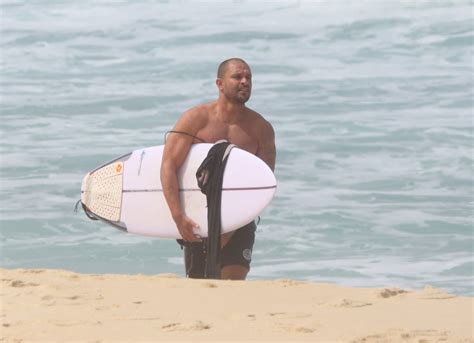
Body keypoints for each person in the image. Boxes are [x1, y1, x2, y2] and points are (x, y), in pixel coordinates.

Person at [160, 58, 276, 280]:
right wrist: (178, 217)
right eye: (237, 77)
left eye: (249, 78)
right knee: (198, 286)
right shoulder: (196, 119)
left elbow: (264, 183)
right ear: (220, 84)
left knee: (232, 286)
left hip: (240, 218)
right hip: (197, 216)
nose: (245, 82)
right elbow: (168, 166)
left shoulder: (262, 129)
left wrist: (233, 225)